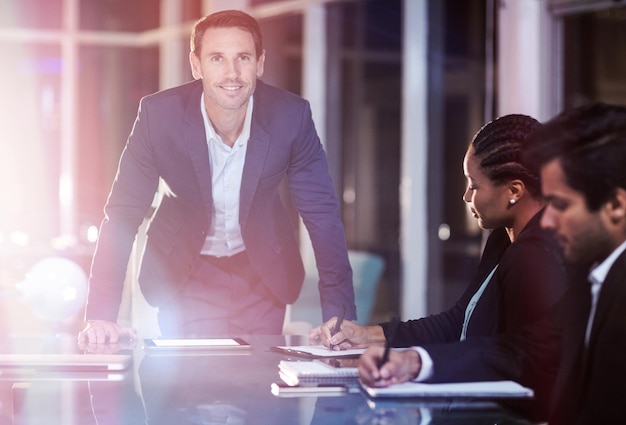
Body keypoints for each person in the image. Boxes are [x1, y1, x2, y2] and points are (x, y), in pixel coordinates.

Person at [78, 9, 356, 343]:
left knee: (258, 385)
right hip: (186, 272)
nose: (232, 73)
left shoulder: (291, 117)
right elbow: (123, 214)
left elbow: (322, 214)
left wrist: (340, 319)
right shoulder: (158, 116)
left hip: (261, 276)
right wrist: (101, 316)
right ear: (196, 65)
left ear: (260, 62)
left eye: (243, 58)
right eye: (217, 59)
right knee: (187, 385)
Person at [312, 114, 567, 417]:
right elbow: (459, 322)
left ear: (514, 191)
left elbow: (525, 356)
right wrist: (367, 336)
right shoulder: (503, 238)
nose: (466, 197)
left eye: (475, 185)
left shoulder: (537, 256)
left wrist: (415, 362)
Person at [520, 102, 626, 425]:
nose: (547, 221)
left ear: (615, 205)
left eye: (559, 205)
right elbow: (529, 348)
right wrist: (416, 361)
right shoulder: (593, 274)